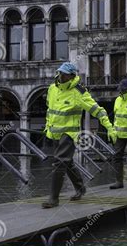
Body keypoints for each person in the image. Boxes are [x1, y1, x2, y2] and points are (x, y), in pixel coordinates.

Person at [42, 62, 117, 209]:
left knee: (59, 162)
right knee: (67, 162)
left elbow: (97, 110)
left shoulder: (79, 92)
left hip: (69, 134)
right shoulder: (52, 89)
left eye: (64, 73)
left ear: (72, 76)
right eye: (59, 72)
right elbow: (50, 110)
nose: (61, 75)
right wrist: (47, 127)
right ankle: (80, 188)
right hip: (54, 133)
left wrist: (110, 127)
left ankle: (53, 199)